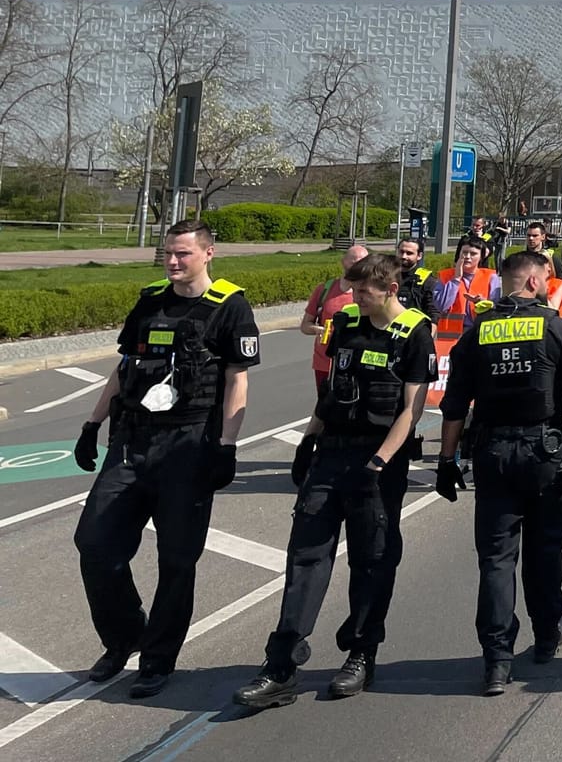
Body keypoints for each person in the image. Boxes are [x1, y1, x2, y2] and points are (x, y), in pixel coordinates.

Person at [233, 253, 434, 708]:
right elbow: (331, 392)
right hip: (332, 452)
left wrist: (380, 463)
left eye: (364, 291)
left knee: (372, 560)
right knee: (305, 554)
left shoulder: (415, 333)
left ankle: (361, 653)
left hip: (378, 462)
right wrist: (307, 443)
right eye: (353, 289)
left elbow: (411, 410)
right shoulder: (345, 324)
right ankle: (281, 663)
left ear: (390, 291)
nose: (355, 297)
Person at [71, 219, 260, 698]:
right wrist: (92, 425)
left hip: (189, 446)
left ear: (208, 254)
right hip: (132, 442)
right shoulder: (150, 299)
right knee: (94, 542)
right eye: (168, 254)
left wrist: (226, 446)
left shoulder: (231, 308)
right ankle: (125, 635)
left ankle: (157, 658)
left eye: (183, 255)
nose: (173, 263)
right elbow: (124, 367)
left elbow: (237, 381)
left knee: (177, 560)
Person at [433, 251, 562, 696]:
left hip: (492, 454)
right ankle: (546, 635)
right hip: (542, 453)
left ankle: (496, 658)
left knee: (496, 559)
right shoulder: (556, 328)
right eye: (545, 277)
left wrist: (447, 461)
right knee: (545, 551)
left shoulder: (478, 331)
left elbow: (454, 404)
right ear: (532, 281)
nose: (548, 284)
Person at [303, 246, 369, 401]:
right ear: (344, 262)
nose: (358, 266)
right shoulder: (325, 289)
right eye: (354, 261)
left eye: (363, 262)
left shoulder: (371, 293)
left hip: (357, 362)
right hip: (325, 361)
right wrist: (318, 330)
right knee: (325, 406)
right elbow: (305, 325)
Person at [433, 238, 498, 345]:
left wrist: (482, 302)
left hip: (480, 334)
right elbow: (441, 305)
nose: (467, 257)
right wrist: (456, 278)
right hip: (450, 338)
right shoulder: (445, 276)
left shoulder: (491, 277)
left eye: (473, 254)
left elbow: (496, 308)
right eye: (464, 252)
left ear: (481, 257)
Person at [394, 237, 438, 319]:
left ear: (419, 256)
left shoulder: (427, 281)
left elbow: (434, 314)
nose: (404, 256)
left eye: (409, 253)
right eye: (401, 252)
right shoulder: (387, 275)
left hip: (415, 329)